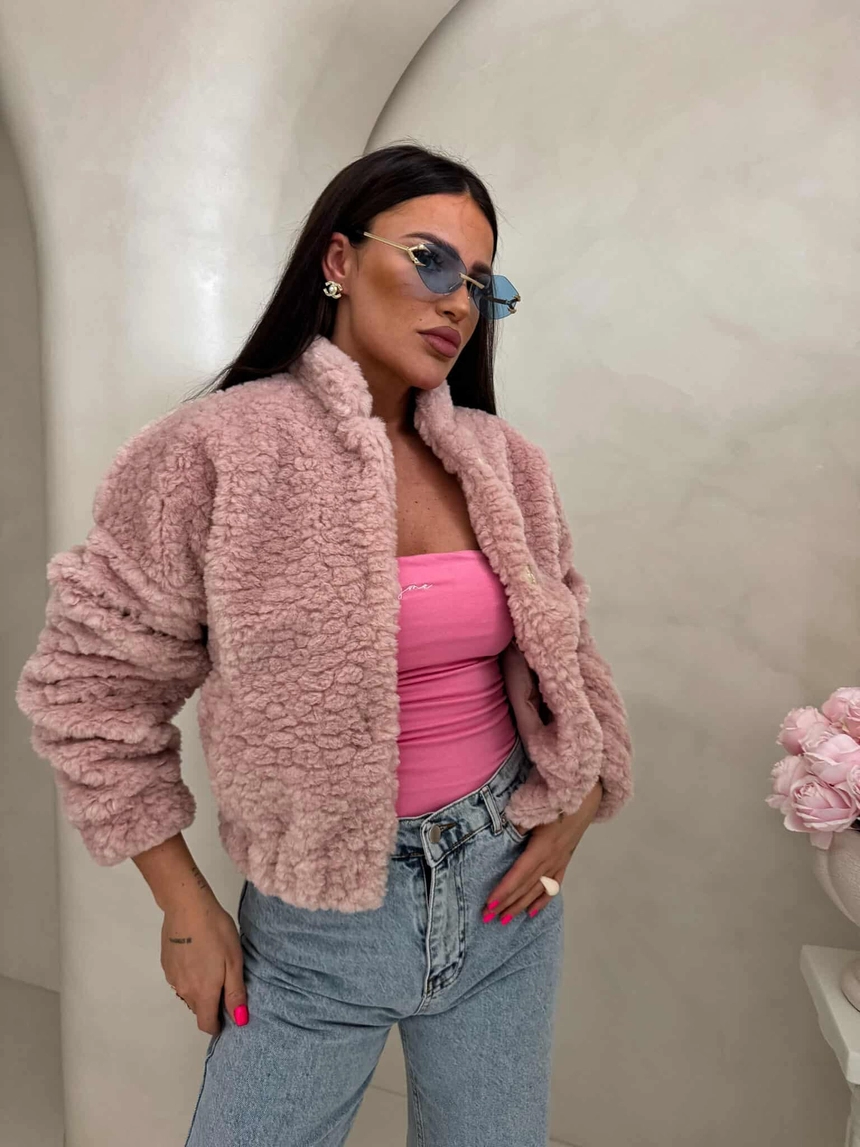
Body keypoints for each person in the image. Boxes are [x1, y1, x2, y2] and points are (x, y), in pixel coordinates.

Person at [15, 142, 633, 1147]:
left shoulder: (502, 460)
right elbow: (89, 694)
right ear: (339, 260)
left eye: (480, 284)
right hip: (316, 921)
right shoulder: (211, 452)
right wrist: (184, 906)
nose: (457, 301)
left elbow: (569, 650)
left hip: (502, 898)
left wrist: (572, 811)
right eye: (430, 260)